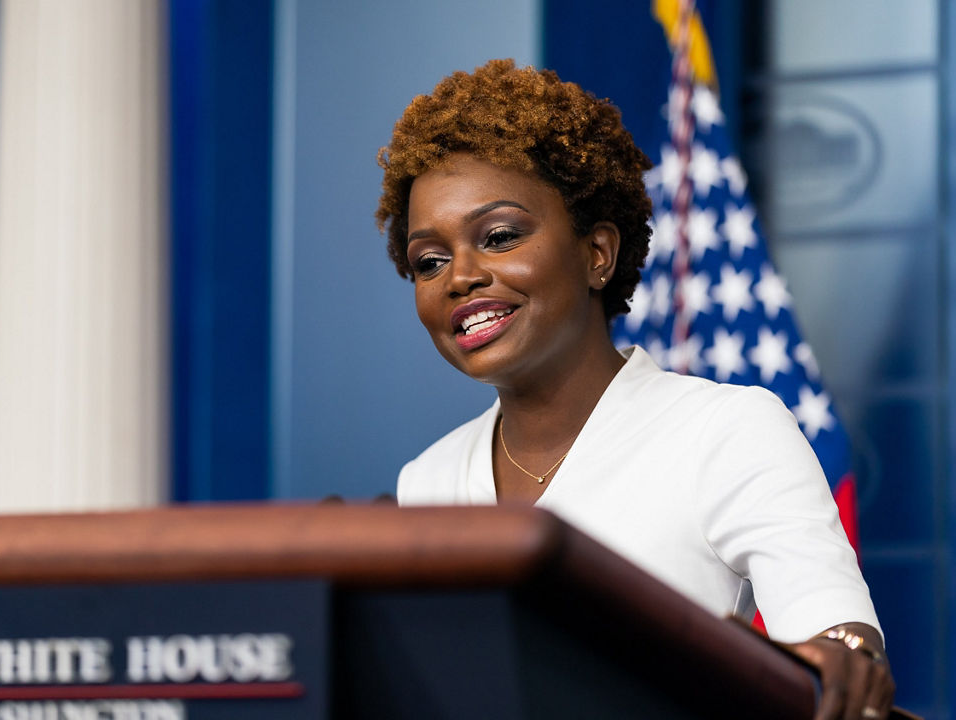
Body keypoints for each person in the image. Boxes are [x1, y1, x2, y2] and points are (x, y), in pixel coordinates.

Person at [376, 59, 895, 720]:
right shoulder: (428, 479)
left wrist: (845, 652)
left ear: (597, 253)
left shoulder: (726, 429)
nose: (461, 277)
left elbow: (832, 635)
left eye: (500, 237)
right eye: (430, 260)